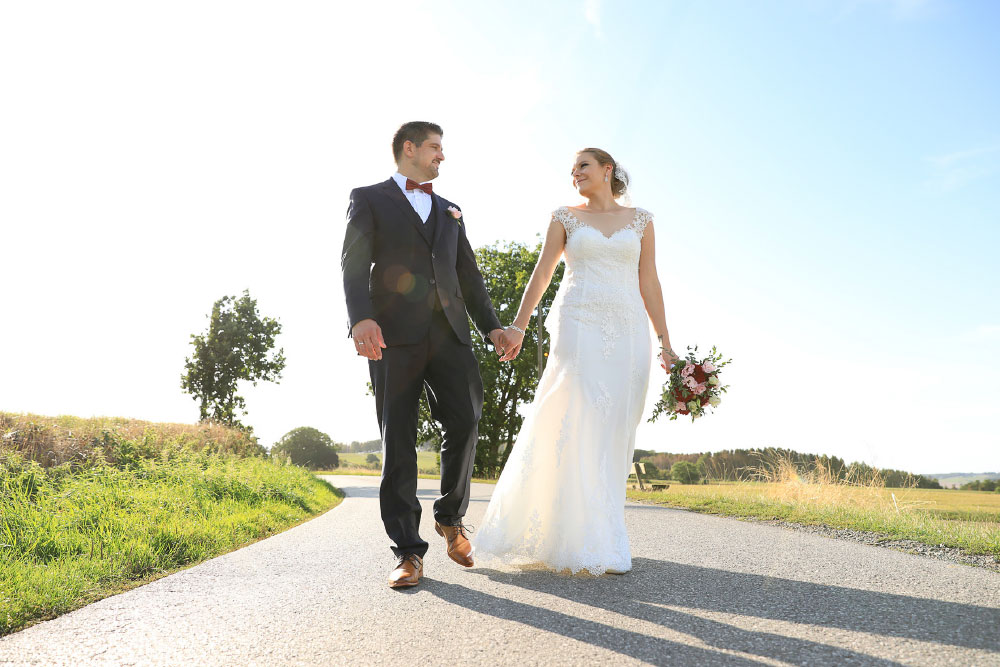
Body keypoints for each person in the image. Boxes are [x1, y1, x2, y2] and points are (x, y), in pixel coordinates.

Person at [474, 148, 679, 575]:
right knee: (574, 415)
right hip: (578, 324)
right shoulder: (564, 217)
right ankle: (563, 533)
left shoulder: (641, 220)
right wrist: (519, 325)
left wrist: (665, 342)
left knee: (614, 424)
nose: (575, 175)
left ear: (608, 170)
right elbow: (543, 271)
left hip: (627, 330)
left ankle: (600, 530)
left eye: (583, 166)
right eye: (572, 171)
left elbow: (649, 280)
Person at [341, 121, 510, 588]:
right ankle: (407, 552)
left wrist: (492, 327)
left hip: (451, 333)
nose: (441, 156)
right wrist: (361, 318)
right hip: (393, 334)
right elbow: (353, 261)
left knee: (466, 419)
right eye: (435, 147)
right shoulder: (369, 197)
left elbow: (469, 276)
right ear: (409, 149)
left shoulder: (451, 210)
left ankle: (450, 518)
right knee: (398, 437)